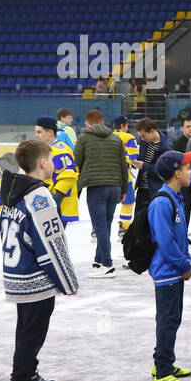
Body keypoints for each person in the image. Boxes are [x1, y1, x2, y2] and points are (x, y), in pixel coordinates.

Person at [0, 138, 79, 381]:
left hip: (17, 274)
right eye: (52, 160)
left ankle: (29, 374)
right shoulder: (39, 197)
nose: (54, 165)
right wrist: (67, 281)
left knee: (26, 329)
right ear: (42, 163)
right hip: (35, 279)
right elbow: (51, 244)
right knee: (31, 334)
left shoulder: (14, 192)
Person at [147, 150, 191, 381]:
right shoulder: (162, 202)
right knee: (167, 321)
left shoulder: (176, 198)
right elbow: (165, 242)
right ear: (177, 173)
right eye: (187, 168)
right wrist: (184, 265)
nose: (190, 171)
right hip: (168, 272)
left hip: (173, 271)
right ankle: (163, 373)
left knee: (171, 319)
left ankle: (163, 362)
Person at [73, 109, 130, 277]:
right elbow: (123, 166)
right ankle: (99, 259)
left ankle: (107, 264)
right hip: (114, 186)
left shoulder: (83, 138)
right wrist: (124, 189)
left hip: (96, 186)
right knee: (105, 224)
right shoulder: (116, 138)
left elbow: (76, 162)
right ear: (103, 122)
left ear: (87, 123)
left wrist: (75, 189)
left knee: (99, 227)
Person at [33, 116, 79, 224]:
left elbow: (69, 176)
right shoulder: (47, 149)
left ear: (50, 132)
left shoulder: (59, 150)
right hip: (48, 205)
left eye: (39, 132)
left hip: (58, 208)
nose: (36, 135)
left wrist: (55, 199)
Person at [113, 116, 141, 237]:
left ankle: (96, 230)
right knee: (128, 202)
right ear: (123, 126)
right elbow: (133, 156)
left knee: (105, 203)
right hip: (124, 176)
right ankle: (124, 227)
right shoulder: (128, 137)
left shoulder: (106, 136)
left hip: (107, 175)